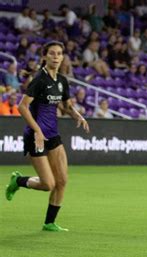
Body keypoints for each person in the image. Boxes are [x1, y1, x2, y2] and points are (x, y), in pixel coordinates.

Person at [5, 41, 90, 232]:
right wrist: (37, 131)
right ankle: (17, 181)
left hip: (53, 134)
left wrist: (77, 114)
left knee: (62, 181)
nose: (56, 57)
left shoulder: (61, 80)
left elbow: (66, 105)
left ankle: (49, 223)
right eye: (52, 53)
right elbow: (22, 107)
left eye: (59, 53)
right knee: (47, 184)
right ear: (45, 56)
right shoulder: (39, 80)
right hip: (36, 135)